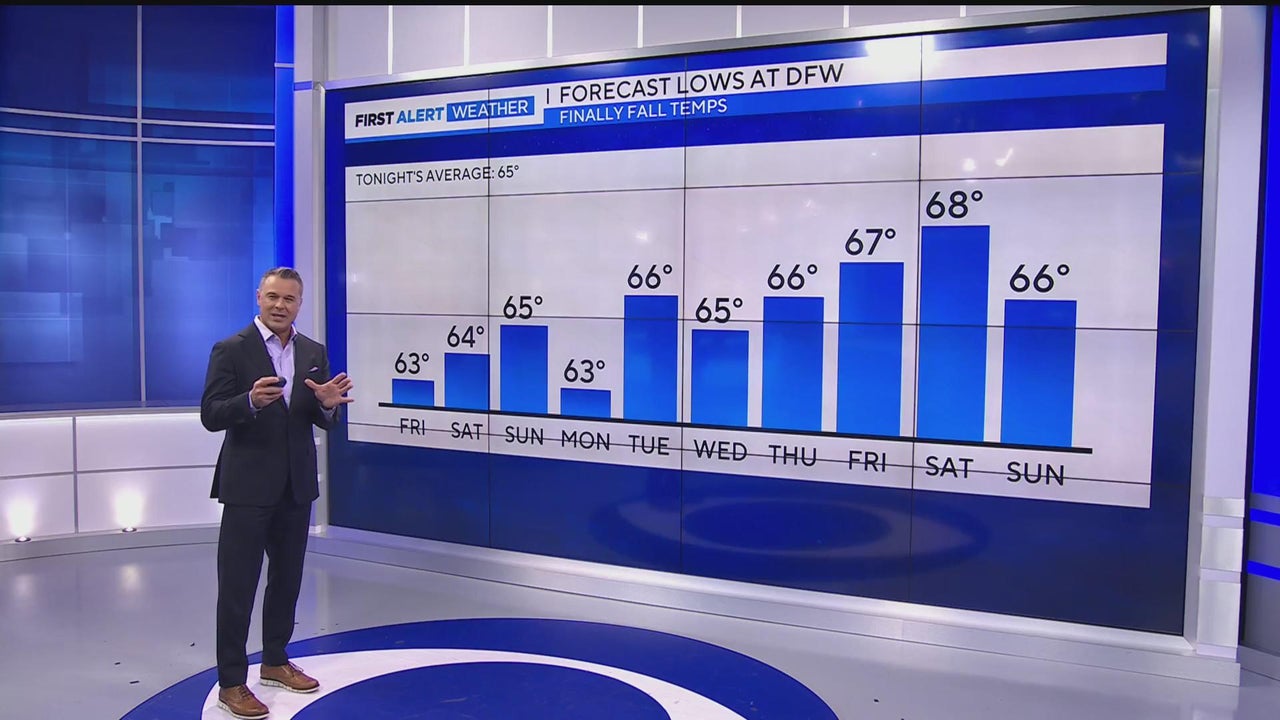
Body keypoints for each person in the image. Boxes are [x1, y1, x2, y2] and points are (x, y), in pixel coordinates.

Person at [200, 267, 354, 720]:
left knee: (287, 580)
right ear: (259, 297)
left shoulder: (313, 351)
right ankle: (232, 682)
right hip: (247, 488)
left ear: (299, 303)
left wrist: (327, 406)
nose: (280, 305)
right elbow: (211, 414)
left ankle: (274, 661)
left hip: (295, 486)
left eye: (289, 299)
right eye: (273, 297)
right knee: (238, 586)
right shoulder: (231, 349)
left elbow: (318, 416)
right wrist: (248, 401)